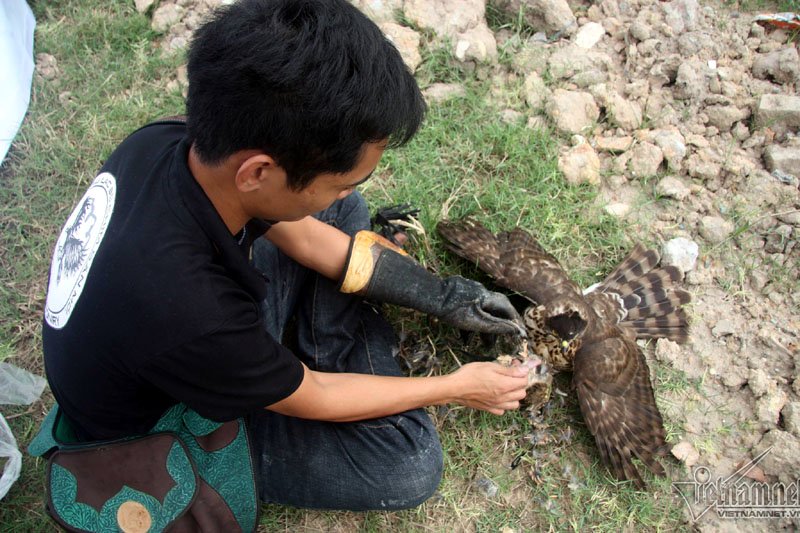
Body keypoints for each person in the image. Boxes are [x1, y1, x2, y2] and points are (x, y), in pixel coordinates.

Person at [41, 0, 530, 514]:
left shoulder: (165, 141)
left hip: (167, 337)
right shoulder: (193, 313)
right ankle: (327, 348)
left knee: (341, 216)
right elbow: (314, 392)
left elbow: (305, 235)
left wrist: (441, 295)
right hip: (166, 420)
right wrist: (455, 386)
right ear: (256, 172)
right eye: (339, 180)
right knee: (406, 464)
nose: (345, 191)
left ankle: (322, 348)